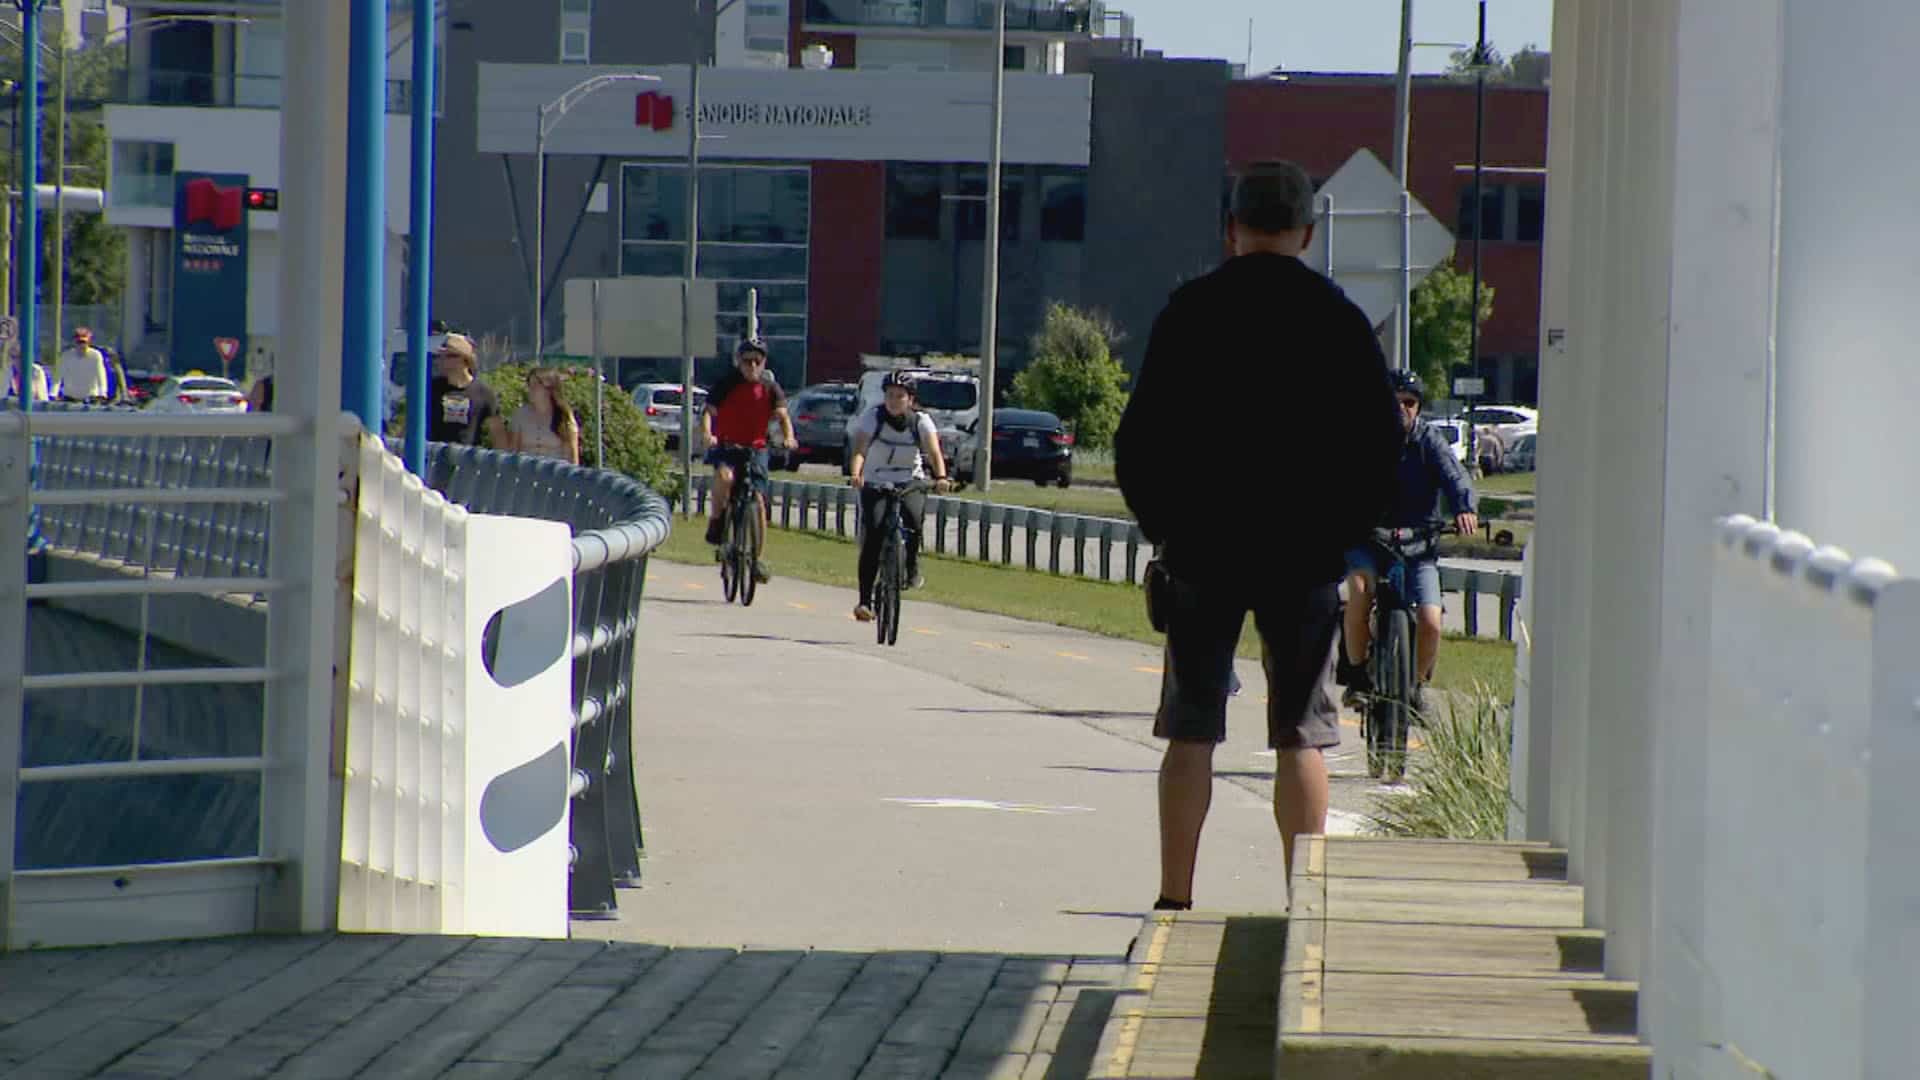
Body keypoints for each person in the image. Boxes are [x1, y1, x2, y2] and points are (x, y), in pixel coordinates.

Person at [1114, 160, 1404, 912]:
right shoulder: (1338, 319)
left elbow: (1137, 441)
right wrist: (1343, 536)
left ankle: (1174, 899)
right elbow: (1381, 444)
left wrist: (1165, 528)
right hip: (1304, 554)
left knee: (1190, 727)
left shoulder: (1190, 311)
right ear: (1307, 232)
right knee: (1301, 733)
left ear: (1231, 227)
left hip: (1204, 548)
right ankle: (1300, 907)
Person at [1341, 370, 1478, 698]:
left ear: (1418, 407)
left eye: (1410, 402)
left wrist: (1464, 507)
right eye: (1394, 401)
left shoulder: (1429, 441)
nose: (1402, 408)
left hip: (1419, 547)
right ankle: (1357, 676)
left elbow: (1455, 476)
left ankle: (1415, 686)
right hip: (1368, 541)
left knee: (1431, 620)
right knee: (1359, 593)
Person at [847, 370, 952, 621]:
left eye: (900, 396)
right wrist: (856, 474)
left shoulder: (921, 421)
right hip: (876, 480)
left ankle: (912, 565)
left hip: (909, 480)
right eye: (890, 395)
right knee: (873, 533)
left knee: (914, 521)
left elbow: (934, 452)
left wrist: (940, 477)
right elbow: (860, 449)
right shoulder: (873, 417)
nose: (894, 400)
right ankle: (864, 601)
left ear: (911, 400)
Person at [701, 338, 797, 583]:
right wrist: (708, 434)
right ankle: (717, 521)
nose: (752, 366)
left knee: (759, 501)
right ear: (738, 362)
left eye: (757, 361)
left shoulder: (770, 387)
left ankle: (757, 559)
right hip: (727, 445)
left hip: (756, 449)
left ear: (764, 362)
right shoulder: (727, 383)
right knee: (725, 478)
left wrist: (788, 437)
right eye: (747, 361)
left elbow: (783, 416)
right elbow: (708, 413)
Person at [426, 333, 505, 447]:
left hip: (467, 461)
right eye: (440, 355)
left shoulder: (484, 393)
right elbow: (411, 425)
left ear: (464, 359)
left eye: (449, 355)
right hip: (433, 458)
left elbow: (498, 435)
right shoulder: (431, 388)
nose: (441, 360)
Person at [508, 368, 581, 465]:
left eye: (535, 386)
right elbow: (513, 452)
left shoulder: (564, 416)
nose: (531, 390)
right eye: (529, 385)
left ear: (549, 389)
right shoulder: (520, 415)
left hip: (555, 474)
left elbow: (572, 458)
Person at [55, 328, 109, 403]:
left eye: (84, 342)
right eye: (79, 342)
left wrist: (102, 393)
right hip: (69, 399)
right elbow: (58, 376)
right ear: (74, 342)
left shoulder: (95, 355)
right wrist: (53, 394)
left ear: (89, 342)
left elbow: (101, 376)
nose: (82, 345)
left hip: (90, 400)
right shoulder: (66, 355)